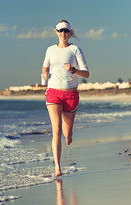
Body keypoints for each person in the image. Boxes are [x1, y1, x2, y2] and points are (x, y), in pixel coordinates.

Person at [42, 20, 89, 177]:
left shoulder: (75, 49)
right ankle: (57, 168)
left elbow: (86, 74)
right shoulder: (50, 50)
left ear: (70, 33)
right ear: (55, 32)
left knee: (66, 132)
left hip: (70, 95)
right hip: (53, 93)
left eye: (66, 31)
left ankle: (69, 135)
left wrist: (73, 69)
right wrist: (44, 77)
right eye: (60, 31)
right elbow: (45, 66)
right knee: (56, 130)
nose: (63, 33)